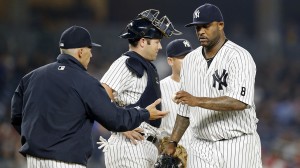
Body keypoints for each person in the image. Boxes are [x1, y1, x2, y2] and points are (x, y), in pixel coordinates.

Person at [10, 25, 168, 168]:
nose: (91, 55)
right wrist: (144, 113)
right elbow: (113, 118)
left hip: (34, 161)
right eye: (89, 49)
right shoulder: (86, 82)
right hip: (67, 161)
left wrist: (32, 138)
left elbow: (16, 115)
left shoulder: (32, 77)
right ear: (80, 52)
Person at [165, 3, 262, 168]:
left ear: (220, 25)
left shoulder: (239, 56)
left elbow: (239, 101)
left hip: (238, 145)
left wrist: (197, 101)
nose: (201, 31)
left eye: (206, 26)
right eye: (197, 28)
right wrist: (173, 142)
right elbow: (184, 110)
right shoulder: (189, 60)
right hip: (201, 147)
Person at [99, 9, 181, 168]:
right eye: (157, 41)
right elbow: (99, 96)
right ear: (143, 41)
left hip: (145, 147)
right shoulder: (125, 63)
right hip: (129, 146)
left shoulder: (146, 67)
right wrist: (119, 126)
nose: (160, 46)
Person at [159, 39, 193, 149]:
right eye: (183, 57)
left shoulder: (204, 85)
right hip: (175, 156)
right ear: (170, 61)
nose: (188, 60)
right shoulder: (159, 88)